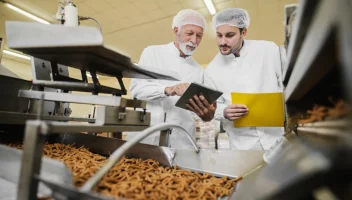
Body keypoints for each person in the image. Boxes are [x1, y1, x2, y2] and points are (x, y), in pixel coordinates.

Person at [126, 9, 216, 149]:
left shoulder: (199, 70)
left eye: (199, 36)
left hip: (181, 141)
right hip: (147, 137)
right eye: (189, 33)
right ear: (176, 31)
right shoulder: (153, 53)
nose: (194, 40)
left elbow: (197, 113)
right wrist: (169, 90)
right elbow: (137, 90)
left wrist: (207, 115)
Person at [206, 8, 284, 150]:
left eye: (230, 35)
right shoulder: (211, 70)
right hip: (243, 145)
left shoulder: (267, 50)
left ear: (244, 32)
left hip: (276, 138)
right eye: (219, 35)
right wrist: (224, 111)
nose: (223, 42)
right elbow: (211, 106)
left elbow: (287, 83)